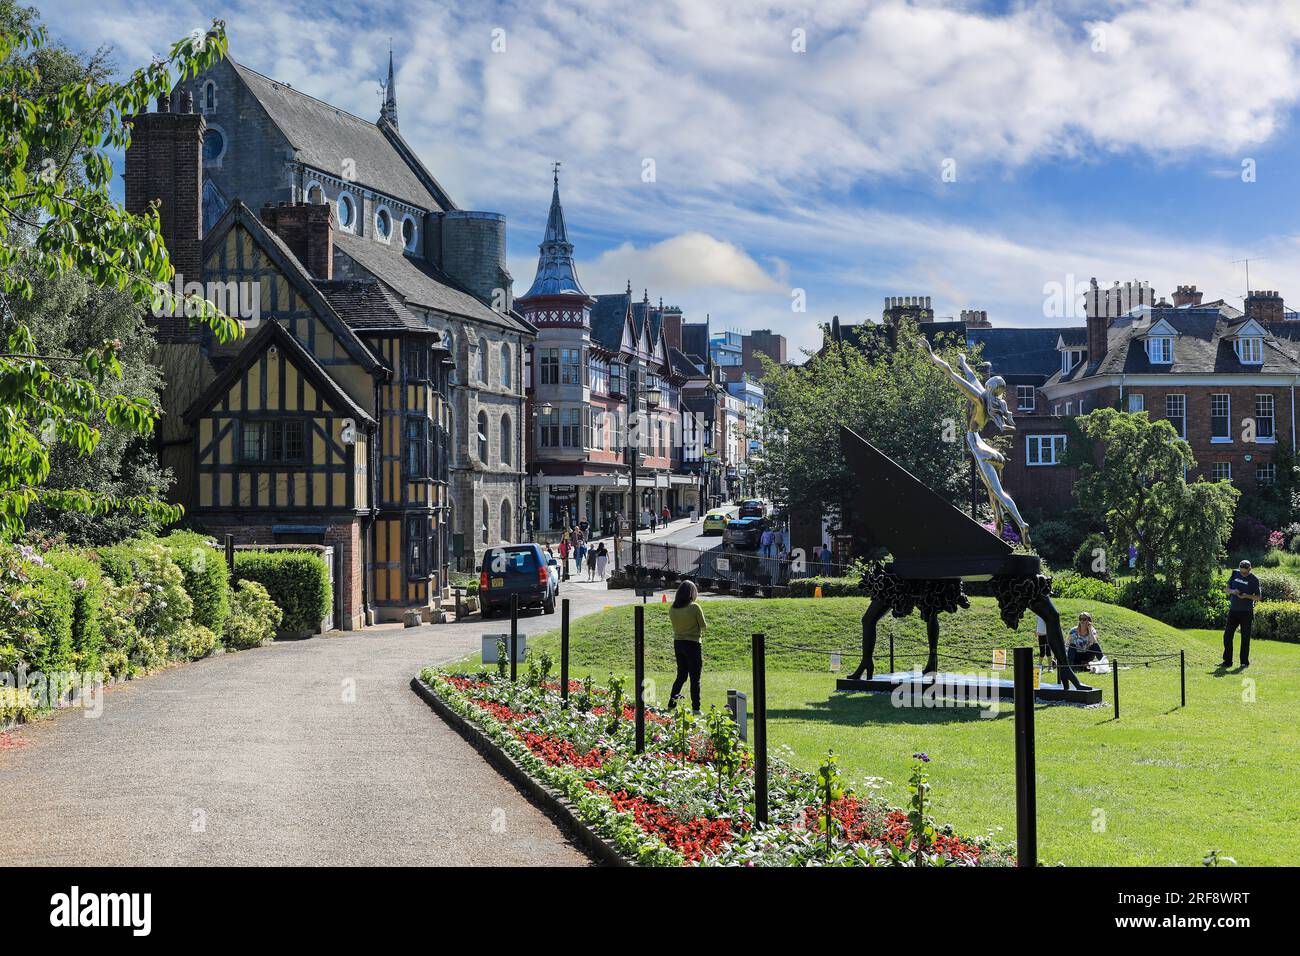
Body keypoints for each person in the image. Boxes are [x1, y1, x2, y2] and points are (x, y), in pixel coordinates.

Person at [668, 580, 706, 712]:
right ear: (691, 593)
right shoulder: (694, 607)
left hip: (678, 643)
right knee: (695, 678)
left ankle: (671, 703)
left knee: (681, 676)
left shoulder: (673, 608)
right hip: (693, 644)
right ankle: (696, 708)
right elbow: (703, 626)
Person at [1223, 559, 1260, 667]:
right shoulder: (1235, 574)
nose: (1243, 574)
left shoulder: (1254, 580)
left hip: (1246, 613)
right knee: (1227, 636)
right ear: (1239, 568)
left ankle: (1244, 662)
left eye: (1245, 572)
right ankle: (1227, 661)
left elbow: (1258, 597)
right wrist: (1233, 591)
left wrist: (1246, 596)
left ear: (1250, 569)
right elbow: (1226, 588)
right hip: (1233, 611)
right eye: (1241, 572)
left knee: (1245, 638)